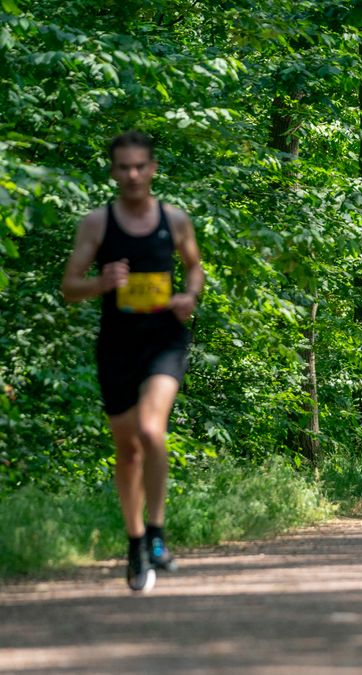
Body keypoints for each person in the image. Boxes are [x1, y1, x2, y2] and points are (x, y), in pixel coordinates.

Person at [61, 131, 205, 592]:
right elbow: (69, 287)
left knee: (150, 430)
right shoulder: (97, 224)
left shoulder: (174, 219)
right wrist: (101, 283)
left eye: (140, 166)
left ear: (153, 168)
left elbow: (194, 267)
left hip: (165, 339)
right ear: (113, 171)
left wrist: (189, 296)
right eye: (124, 167)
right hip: (117, 346)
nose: (133, 175)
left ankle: (158, 533)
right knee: (127, 451)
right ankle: (135, 539)